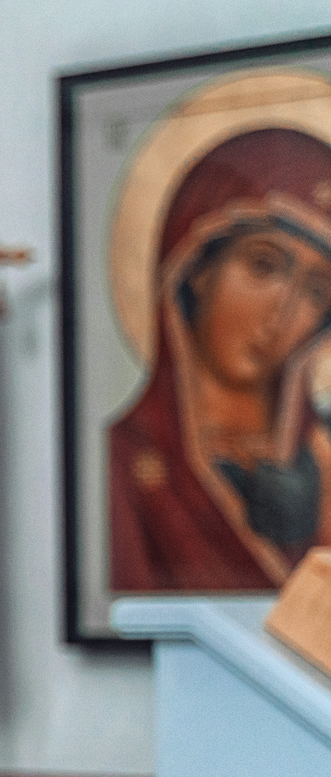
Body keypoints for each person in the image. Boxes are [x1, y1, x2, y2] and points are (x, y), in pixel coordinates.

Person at [109, 126, 331, 589]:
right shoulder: (125, 462)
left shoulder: (322, 463)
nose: (282, 315)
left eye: (316, 291)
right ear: (197, 267)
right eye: (263, 265)